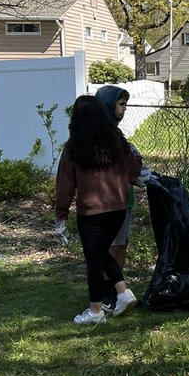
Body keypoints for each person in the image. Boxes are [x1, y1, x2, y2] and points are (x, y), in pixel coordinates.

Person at [54, 94, 142, 326]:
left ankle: (95, 312)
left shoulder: (74, 146)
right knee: (101, 251)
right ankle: (123, 292)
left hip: (91, 211)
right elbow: (133, 172)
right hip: (120, 207)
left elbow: (65, 184)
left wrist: (61, 215)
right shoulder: (117, 140)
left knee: (94, 259)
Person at [94, 85, 141, 312]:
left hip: (124, 199)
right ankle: (106, 293)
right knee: (107, 249)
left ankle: (114, 291)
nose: (124, 110)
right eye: (120, 105)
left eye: (125, 105)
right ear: (107, 105)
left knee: (120, 246)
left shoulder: (117, 134)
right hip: (106, 202)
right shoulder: (97, 136)